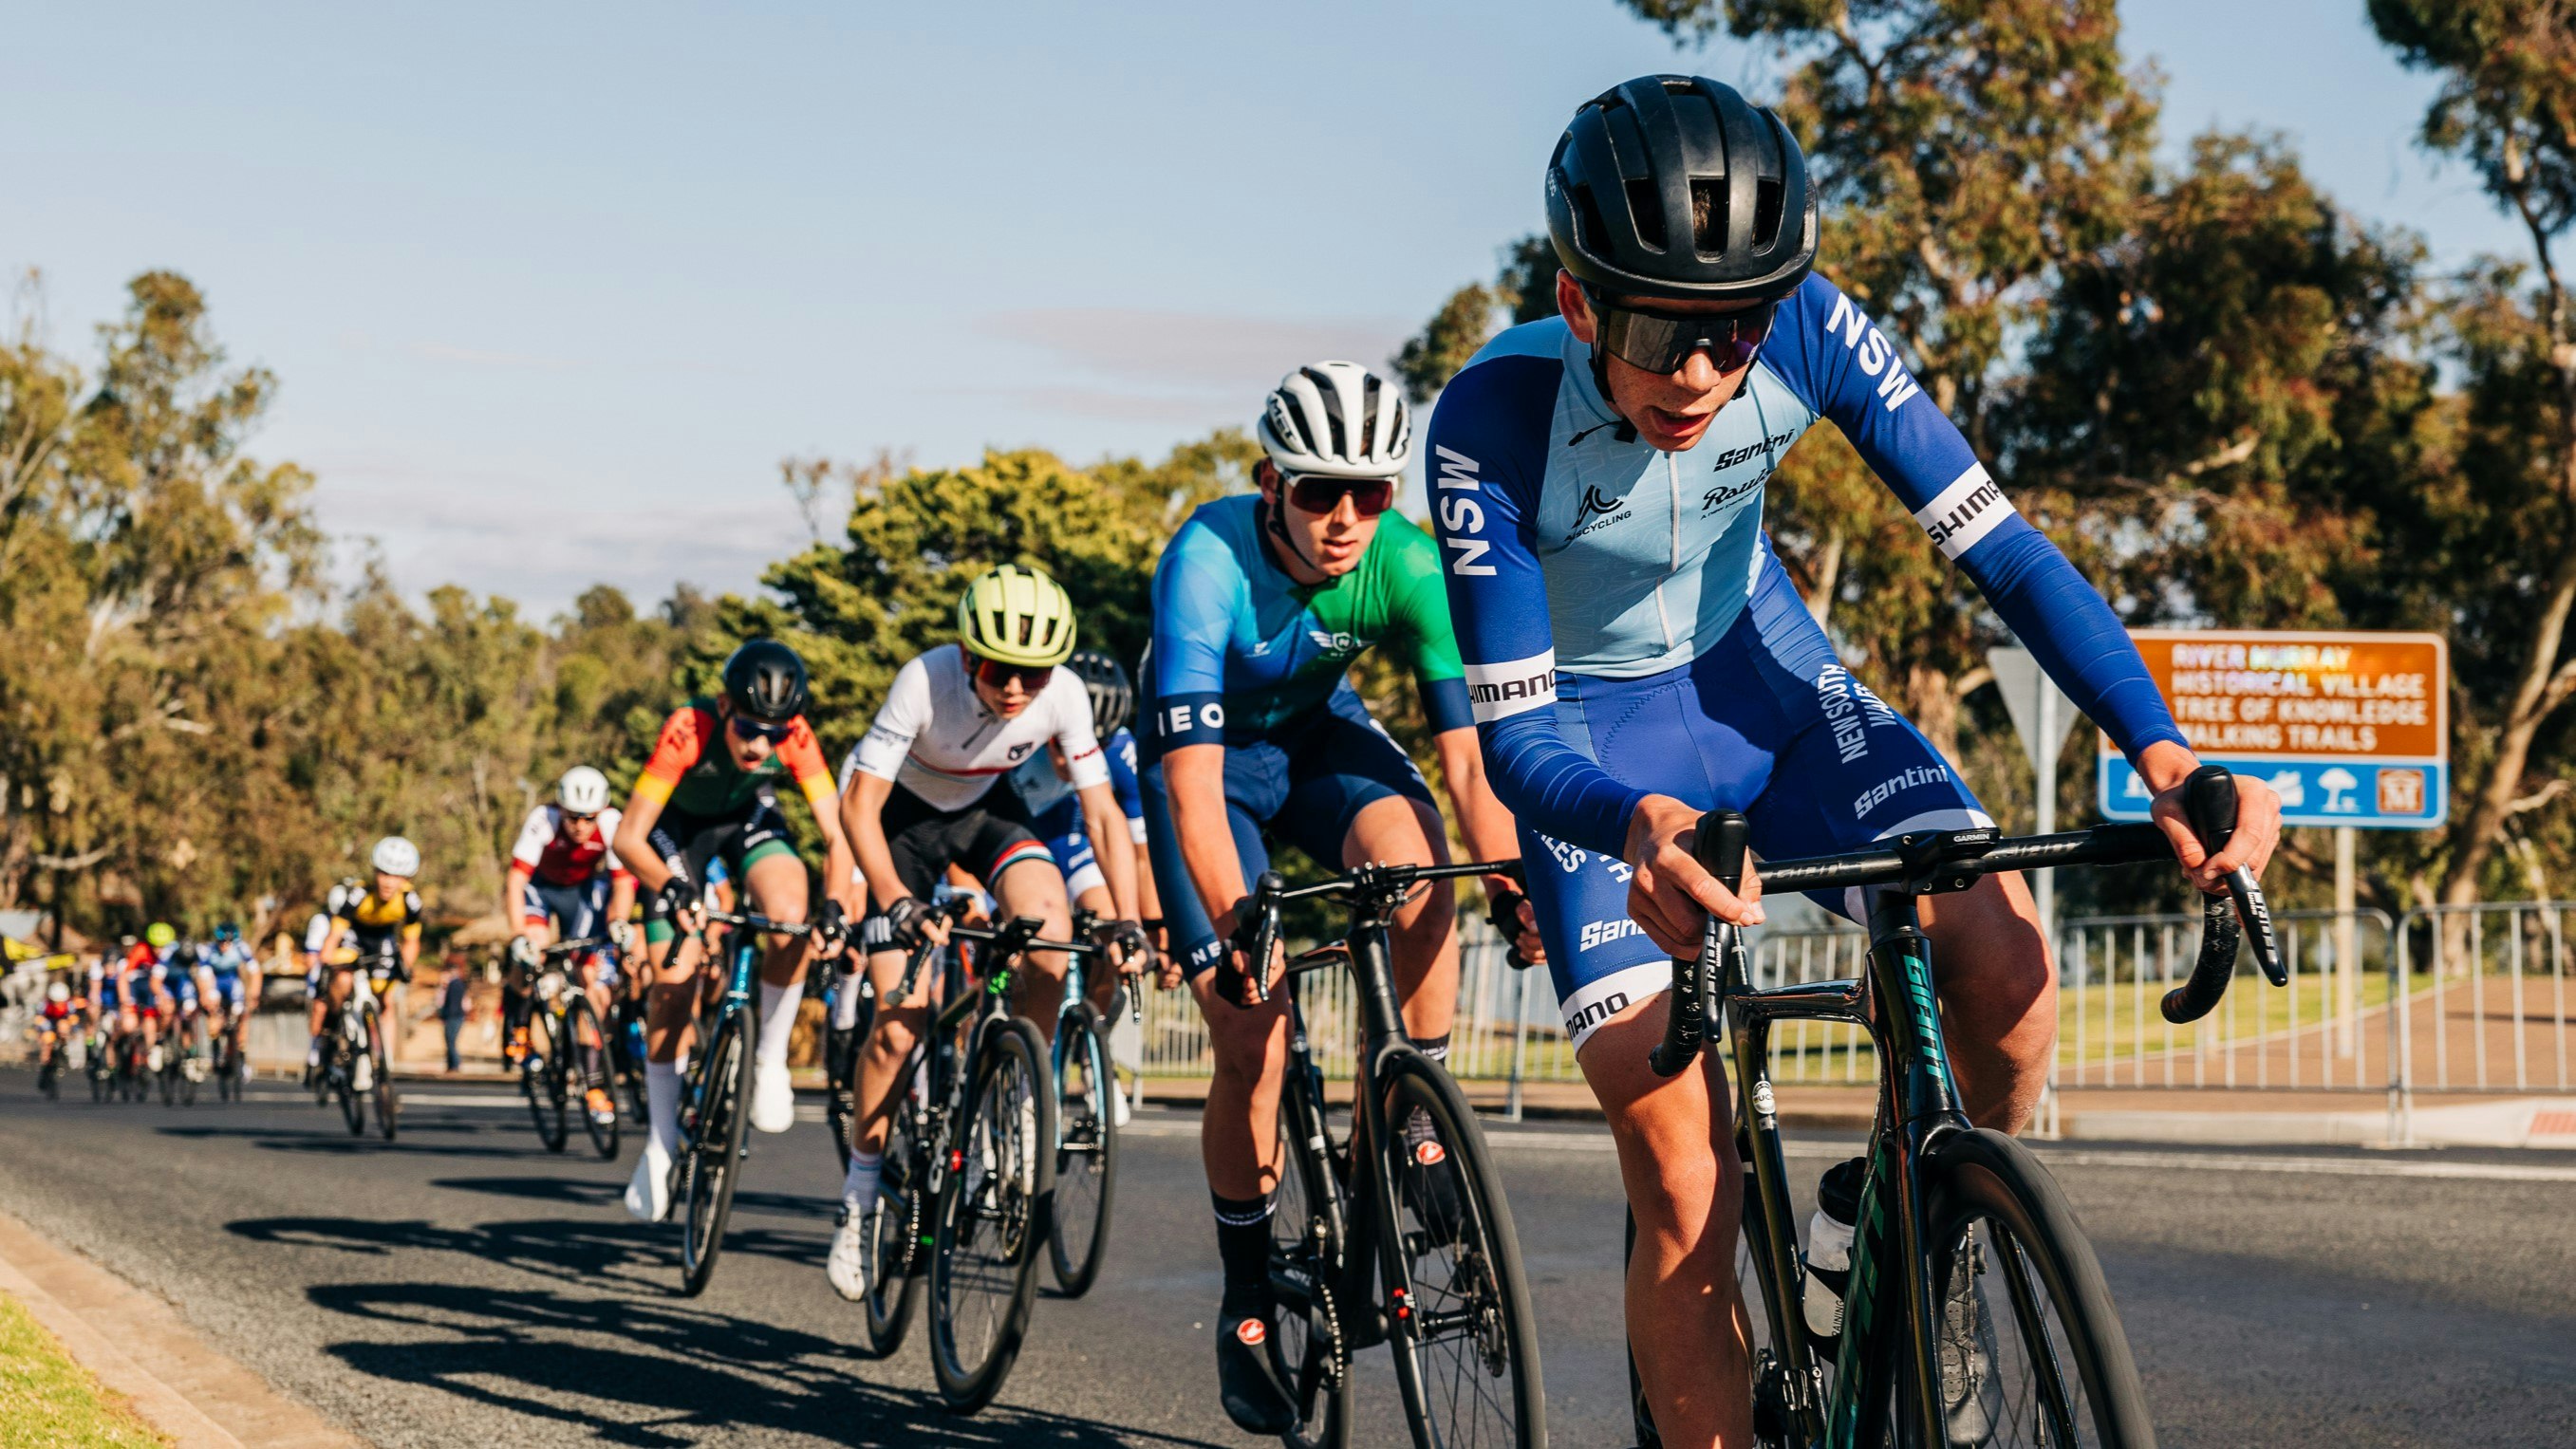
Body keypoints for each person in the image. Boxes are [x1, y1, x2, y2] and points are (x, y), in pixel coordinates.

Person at [1423, 74, 2285, 1445]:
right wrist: (1628, 823)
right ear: (1579, 300)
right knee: (1681, 1172)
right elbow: (1518, 733)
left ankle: (1910, 1230)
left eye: (1732, 331)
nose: (1697, 373)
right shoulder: (1490, 419)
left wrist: (2163, 752)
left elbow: (2001, 548)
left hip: (1762, 678)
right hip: (1598, 750)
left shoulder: (1813, 329)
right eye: (1654, 326)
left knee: (2002, 961)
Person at [1139, 360, 1540, 1434]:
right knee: (1253, 1030)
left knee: (1420, 871)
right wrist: (1236, 928)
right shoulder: (1205, 560)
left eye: (1370, 492)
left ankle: (1411, 1121)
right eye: (1320, 491)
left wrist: (1511, 879)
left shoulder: (1409, 566)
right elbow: (1185, 788)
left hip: (1316, 740)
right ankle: (1241, 1296)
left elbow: (1469, 767)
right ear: (1268, 481)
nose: (1345, 518)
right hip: (1209, 768)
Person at [828, 565, 1151, 1302]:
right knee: (898, 1028)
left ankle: (1017, 1090)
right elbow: (858, 807)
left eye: (1032, 676)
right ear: (970, 654)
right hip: (901, 825)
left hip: (986, 811)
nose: (1015, 690)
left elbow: (1103, 815)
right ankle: (858, 1197)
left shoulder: (1062, 694)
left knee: (1050, 937)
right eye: (1001, 670)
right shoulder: (924, 679)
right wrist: (893, 901)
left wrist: (1129, 920)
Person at [611, 639, 859, 1223]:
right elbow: (628, 837)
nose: (761, 744)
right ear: (725, 707)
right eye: (749, 728)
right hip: (677, 834)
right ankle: (661, 1141)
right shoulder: (688, 727)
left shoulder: (793, 736)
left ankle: (769, 1057)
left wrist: (835, 905)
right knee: (673, 984)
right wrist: (669, 888)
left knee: (792, 911)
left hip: (748, 821)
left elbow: (839, 833)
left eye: (775, 733)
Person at [502, 764, 639, 1124]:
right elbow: (517, 880)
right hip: (540, 890)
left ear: (601, 812)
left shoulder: (611, 823)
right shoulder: (542, 819)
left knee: (591, 985)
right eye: (573, 817)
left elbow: (622, 883)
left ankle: (593, 1084)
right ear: (560, 809)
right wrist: (519, 933)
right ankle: (518, 1027)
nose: (580, 826)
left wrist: (618, 923)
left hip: (581, 893)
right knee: (534, 946)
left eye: (588, 818)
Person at [310, 839, 425, 1075]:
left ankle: (385, 1066)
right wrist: (325, 964)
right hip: (353, 937)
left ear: (407, 878)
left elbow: (411, 940)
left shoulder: (410, 901)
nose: (388, 882)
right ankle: (332, 1026)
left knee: (385, 1001)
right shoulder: (358, 894)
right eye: (383, 874)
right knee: (342, 982)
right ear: (374, 872)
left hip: (382, 941)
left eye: (397, 876)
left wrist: (405, 967)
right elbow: (335, 935)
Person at [437, 957, 473, 1073]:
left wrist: (447, 1016)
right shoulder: (454, 984)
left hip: (454, 1016)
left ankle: (455, 1064)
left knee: (451, 1041)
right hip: (455, 1015)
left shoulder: (455, 984)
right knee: (450, 1041)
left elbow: (452, 1003)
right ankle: (451, 1065)